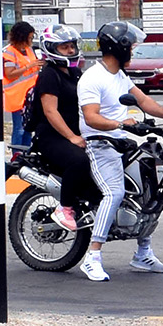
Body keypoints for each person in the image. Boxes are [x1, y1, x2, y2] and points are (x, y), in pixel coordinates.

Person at [76, 20, 163, 281]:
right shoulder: (92, 78)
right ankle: (92, 257)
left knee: (150, 190)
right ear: (119, 48)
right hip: (100, 145)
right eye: (131, 47)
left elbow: (143, 101)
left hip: (121, 142)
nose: (134, 52)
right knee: (114, 192)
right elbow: (91, 118)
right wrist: (120, 123)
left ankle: (143, 254)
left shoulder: (119, 76)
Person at [26, 23, 99, 234]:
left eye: (71, 46)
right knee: (80, 160)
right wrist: (72, 137)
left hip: (76, 133)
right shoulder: (49, 75)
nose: (70, 50)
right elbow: (50, 112)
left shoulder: (75, 73)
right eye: (64, 47)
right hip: (52, 137)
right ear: (50, 48)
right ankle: (65, 208)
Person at [0, 20, 39, 153]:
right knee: (19, 129)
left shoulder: (28, 50)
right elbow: (10, 74)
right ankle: (16, 156)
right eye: (30, 37)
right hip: (17, 96)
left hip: (30, 95)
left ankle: (26, 155)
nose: (31, 40)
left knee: (28, 128)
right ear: (23, 37)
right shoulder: (9, 53)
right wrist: (29, 66)